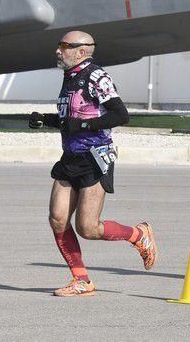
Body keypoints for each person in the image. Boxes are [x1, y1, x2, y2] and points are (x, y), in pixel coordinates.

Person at [29, 30, 157, 297]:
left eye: (63, 46)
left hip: (94, 158)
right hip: (70, 158)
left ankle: (138, 234)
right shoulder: (70, 76)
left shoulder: (96, 76)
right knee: (57, 219)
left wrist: (84, 125)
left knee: (88, 227)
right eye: (59, 45)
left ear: (82, 50)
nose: (58, 50)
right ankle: (81, 280)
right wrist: (46, 119)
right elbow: (71, 119)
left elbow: (120, 115)